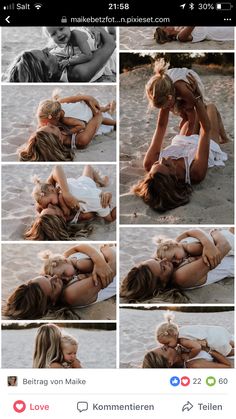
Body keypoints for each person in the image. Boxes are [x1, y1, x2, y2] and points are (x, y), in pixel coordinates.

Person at [135, 89, 228, 212]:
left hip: (182, 142)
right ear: (174, 177)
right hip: (206, 145)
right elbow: (205, 129)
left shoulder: (149, 163)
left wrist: (166, 99)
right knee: (210, 107)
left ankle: (192, 117)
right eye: (167, 164)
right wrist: (197, 97)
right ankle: (225, 138)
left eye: (157, 163)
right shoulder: (195, 174)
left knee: (192, 112)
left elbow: (161, 126)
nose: (162, 159)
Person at [144, 59, 229, 172]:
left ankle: (224, 137)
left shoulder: (184, 90)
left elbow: (196, 114)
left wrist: (188, 136)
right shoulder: (163, 92)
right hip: (171, 85)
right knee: (187, 116)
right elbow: (161, 124)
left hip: (190, 85)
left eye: (168, 106)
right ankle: (198, 128)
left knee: (204, 108)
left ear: (170, 97)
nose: (168, 109)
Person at [4, 244, 116, 319]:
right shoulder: (71, 294)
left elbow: (77, 247)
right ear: (52, 301)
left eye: (47, 277)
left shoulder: (55, 274)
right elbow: (109, 272)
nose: (55, 278)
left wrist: (98, 258)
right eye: (53, 286)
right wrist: (108, 254)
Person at [120, 228, 232, 302]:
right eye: (162, 267)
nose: (164, 260)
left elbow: (182, 237)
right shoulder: (181, 277)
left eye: (157, 260)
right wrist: (215, 232)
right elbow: (225, 246)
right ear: (162, 284)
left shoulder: (164, 262)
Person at [18, 93, 116, 161]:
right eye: (51, 127)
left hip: (82, 115)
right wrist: (90, 106)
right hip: (99, 121)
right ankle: (109, 110)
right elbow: (99, 117)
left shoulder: (46, 133)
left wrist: (87, 98)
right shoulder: (81, 140)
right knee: (102, 112)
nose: (47, 124)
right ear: (59, 140)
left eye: (41, 127)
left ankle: (106, 107)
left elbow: (57, 105)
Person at [6, 29, 115, 82]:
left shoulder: (53, 67)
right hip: (113, 59)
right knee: (112, 33)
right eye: (46, 54)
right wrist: (96, 26)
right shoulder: (79, 73)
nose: (48, 50)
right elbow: (111, 44)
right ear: (49, 73)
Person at [31, 165, 116, 223]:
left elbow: (57, 168)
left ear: (51, 189)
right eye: (46, 205)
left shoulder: (52, 191)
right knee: (110, 219)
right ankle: (99, 184)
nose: (49, 206)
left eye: (49, 202)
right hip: (90, 195)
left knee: (88, 167)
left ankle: (101, 183)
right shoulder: (51, 199)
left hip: (81, 185)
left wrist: (66, 193)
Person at [43, 26, 116, 82]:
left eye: (61, 28)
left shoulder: (77, 35)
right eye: (53, 34)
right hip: (95, 46)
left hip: (98, 41)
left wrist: (69, 61)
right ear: (50, 37)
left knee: (111, 36)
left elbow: (88, 56)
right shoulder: (61, 42)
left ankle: (112, 33)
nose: (59, 34)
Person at [156, 313, 234, 361]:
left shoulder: (183, 340)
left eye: (167, 343)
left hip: (215, 340)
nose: (166, 346)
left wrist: (189, 356)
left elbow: (197, 347)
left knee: (227, 352)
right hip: (217, 331)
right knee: (229, 341)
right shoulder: (182, 329)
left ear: (173, 334)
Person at [155, 227, 234, 268]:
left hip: (226, 241)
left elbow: (206, 254)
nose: (177, 261)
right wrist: (179, 238)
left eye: (174, 256)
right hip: (222, 235)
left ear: (176, 245)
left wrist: (192, 260)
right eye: (174, 263)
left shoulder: (191, 248)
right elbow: (189, 232)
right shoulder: (183, 243)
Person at [142, 345, 232, 368]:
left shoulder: (180, 350)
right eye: (164, 349)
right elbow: (228, 366)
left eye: (162, 346)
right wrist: (207, 349)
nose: (166, 345)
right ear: (170, 362)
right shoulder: (194, 365)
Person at [154, 27, 234, 44]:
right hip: (215, 31)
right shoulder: (181, 37)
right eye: (165, 27)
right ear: (167, 33)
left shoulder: (180, 28)